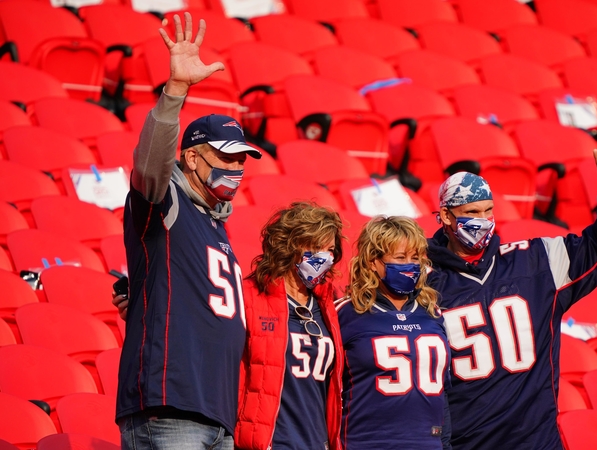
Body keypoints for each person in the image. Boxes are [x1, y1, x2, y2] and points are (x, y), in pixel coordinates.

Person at [115, 12, 262, 449]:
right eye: (225, 156)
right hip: (170, 407)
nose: (236, 168)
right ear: (193, 159)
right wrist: (175, 91)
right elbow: (148, 166)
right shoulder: (167, 202)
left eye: (241, 160)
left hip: (216, 415)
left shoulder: (217, 225)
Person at [427, 150, 597, 449]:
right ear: (446, 215)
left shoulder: (535, 261)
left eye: (488, 211)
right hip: (468, 442)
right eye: (472, 213)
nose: (483, 221)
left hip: (536, 440)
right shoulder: (423, 282)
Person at [235, 202, 346, 450]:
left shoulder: (329, 305)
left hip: (317, 442)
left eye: (330, 250)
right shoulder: (248, 296)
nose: (325, 257)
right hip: (270, 443)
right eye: (317, 247)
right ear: (291, 245)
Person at [336, 216, 451, 450]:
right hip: (365, 443)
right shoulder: (345, 313)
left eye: (415, 258)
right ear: (372, 262)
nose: (409, 265)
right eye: (400, 258)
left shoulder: (433, 314)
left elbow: (443, 393)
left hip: (427, 443)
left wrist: (445, 444)